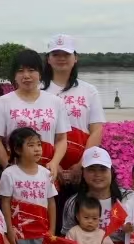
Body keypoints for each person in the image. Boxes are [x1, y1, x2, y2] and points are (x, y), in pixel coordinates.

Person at [43, 35, 107, 219]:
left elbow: (96, 129)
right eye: (56, 54)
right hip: (46, 166)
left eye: (66, 54)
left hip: (80, 168)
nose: (61, 58)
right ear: (48, 59)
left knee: (80, 219)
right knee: (50, 218)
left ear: (75, 58)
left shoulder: (89, 91)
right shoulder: (38, 90)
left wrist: (81, 165)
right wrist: (53, 164)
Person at [0, 49, 70, 175]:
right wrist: (8, 167)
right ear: (14, 75)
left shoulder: (56, 102)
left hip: (46, 172)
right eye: (20, 71)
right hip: (17, 171)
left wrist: (54, 163)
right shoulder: (3, 102)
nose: (26, 75)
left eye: (31, 70)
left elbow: (62, 139)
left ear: (40, 74)